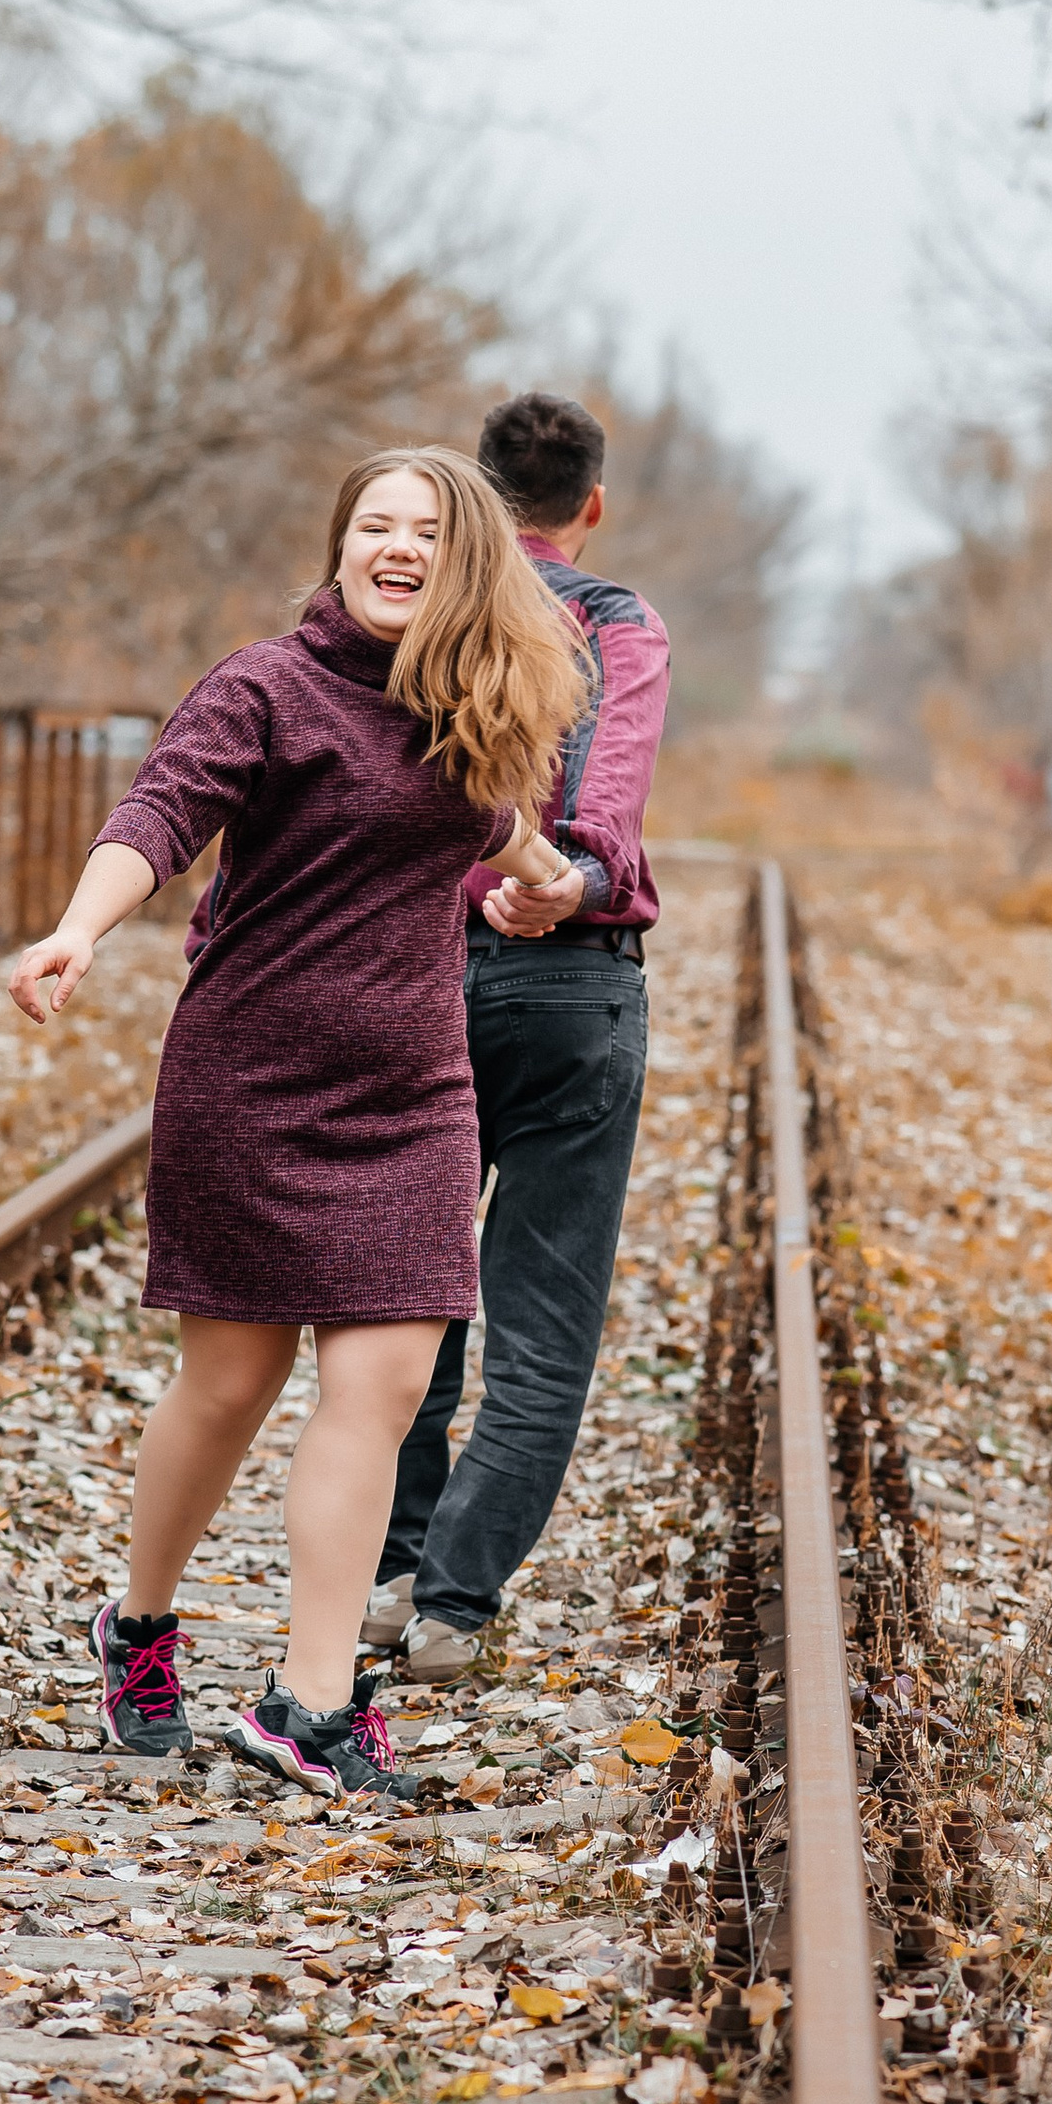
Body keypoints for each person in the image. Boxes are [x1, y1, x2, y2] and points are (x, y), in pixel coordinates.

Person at [6, 449, 587, 1803]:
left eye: (426, 531)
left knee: (380, 1393)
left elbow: (498, 828)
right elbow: (162, 813)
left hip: (414, 1096)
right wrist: (79, 929)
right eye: (373, 526)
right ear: (339, 550)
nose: (396, 547)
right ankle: (139, 1625)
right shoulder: (262, 687)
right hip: (251, 1084)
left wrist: (549, 883)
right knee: (230, 1386)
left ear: (469, 564)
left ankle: (307, 1704)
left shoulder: (472, 708)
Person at [362, 391, 670, 1683]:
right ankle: (453, 1606)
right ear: (590, 505)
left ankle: (384, 1570)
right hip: (570, 990)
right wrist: (576, 882)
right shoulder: (619, 623)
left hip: (420, 977)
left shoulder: (415, 610)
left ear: (473, 497)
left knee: (412, 1288)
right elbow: (611, 795)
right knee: (542, 1311)